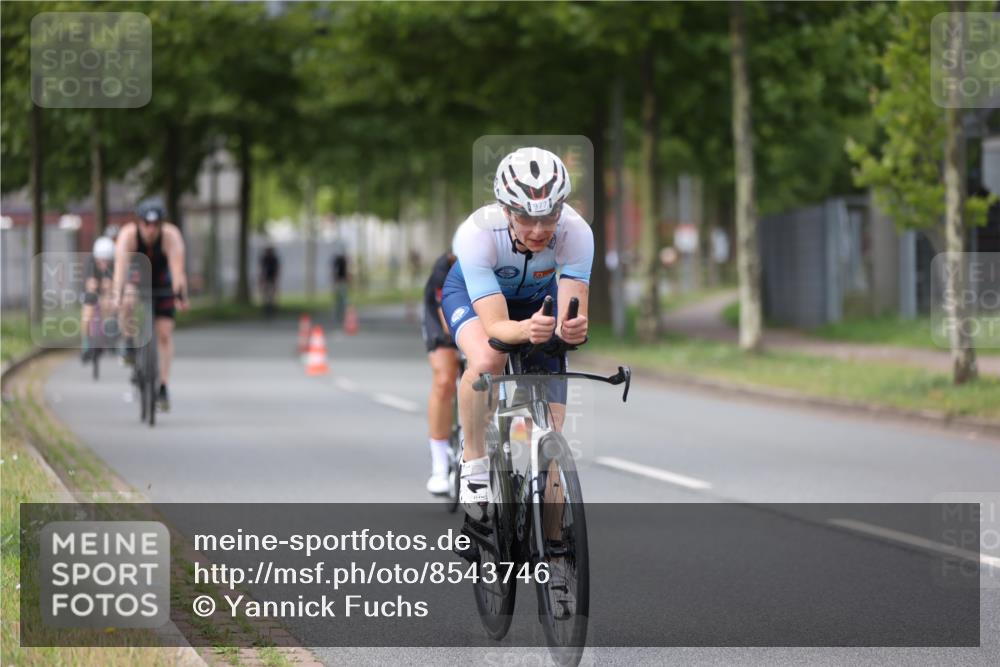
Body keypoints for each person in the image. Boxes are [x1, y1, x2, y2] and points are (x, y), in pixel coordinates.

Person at [441, 147, 592, 520]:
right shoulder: (478, 234)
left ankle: (555, 562)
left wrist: (571, 329)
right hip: (477, 299)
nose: (539, 230)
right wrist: (528, 330)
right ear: (507, 210)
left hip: (536, 300)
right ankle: (474, 462)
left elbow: (571, 313)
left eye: (550, 216)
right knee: (490, 358)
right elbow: (496, 328)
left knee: (552, 437)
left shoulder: (577, 233)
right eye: (526, 217)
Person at [113, 198, 189, 411]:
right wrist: (117, 295)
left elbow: (177, 271)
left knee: (164, 333)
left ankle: (163, 386)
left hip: (162, 280)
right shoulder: (128, 236)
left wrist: (180, 295)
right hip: (136, 277)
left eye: (156, 224)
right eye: (146, 223)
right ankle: (128, 341)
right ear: (139, 222)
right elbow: (120, 271)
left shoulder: (171, 236)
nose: (151, 229)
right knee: (127, 297)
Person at [421, 250, 459, 495]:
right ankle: (439, 465)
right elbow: (447, 314)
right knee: (445, 380)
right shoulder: (445, 266)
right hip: (443, 318)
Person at [80, 234, 117, 362]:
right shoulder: (90, 262)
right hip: (92, 292)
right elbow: (88, 284)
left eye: (106, 260)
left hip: (108, 294)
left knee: (109, 302)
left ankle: (109, 333)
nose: (103, 264)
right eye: (100, 260)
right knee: (87, 311)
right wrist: (93, 286)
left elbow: (116, 286)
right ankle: (86, 343)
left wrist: (110, 287)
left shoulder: (116, 264)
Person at [258, 246, 280, 316]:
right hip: (266, 277)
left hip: (272, 277)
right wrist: (262, 278)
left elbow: (277, 269)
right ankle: (266, 305)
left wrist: (275, 277)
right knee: (266, 292)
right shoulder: (264, 259)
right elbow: (262, 269)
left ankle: (271, 305)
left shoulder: (274, 259)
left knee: (272, 292)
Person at [331, 247, 350, 327]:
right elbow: (337, 271)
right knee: (341, 300)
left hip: (340, 282)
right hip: (340, 282)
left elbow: (335, 271)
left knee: (340, 300)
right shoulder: (341, 260)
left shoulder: (339, 260)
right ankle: (341, 315)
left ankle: (341, 315)